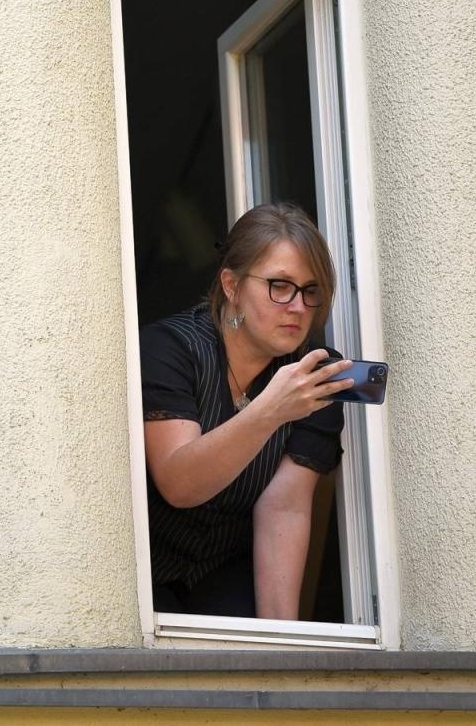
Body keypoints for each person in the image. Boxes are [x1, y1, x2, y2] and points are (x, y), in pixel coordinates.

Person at [142, 201, 352, 620]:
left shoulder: (312, 373)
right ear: (232, 286)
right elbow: (179, 483)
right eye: (279, 285)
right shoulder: (171, 349)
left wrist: (283, 644)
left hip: (225, 571)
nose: (297, 306)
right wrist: (271, 411)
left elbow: (285, 507)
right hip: (142, 575)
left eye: (310, 291)